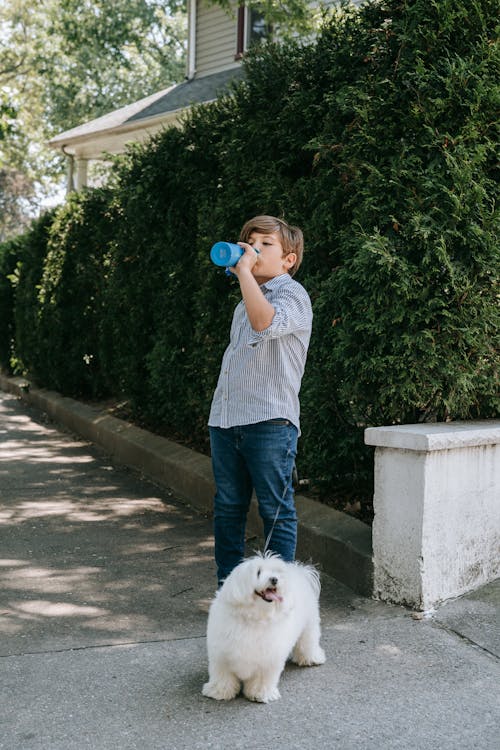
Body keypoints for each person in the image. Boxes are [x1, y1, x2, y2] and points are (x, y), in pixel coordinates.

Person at [208, 215, 313, 586]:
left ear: (289, 259)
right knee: (228, 510)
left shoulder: (292, 294)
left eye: (264, 244)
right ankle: (230, 593)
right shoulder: (244, 301)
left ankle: (276, 599)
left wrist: (244, 274)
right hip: (226, 421)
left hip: (270, 422)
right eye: (249, 242)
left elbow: (265, 323)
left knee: (275, 511)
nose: (252, 249)